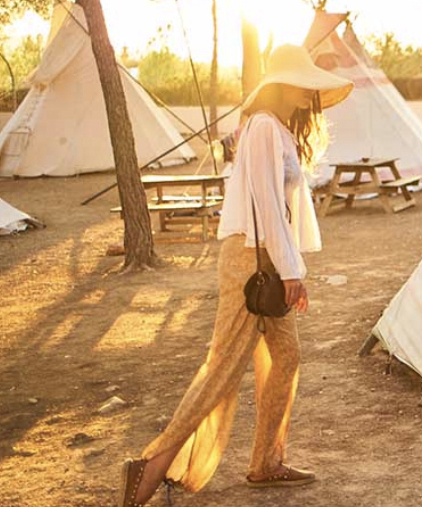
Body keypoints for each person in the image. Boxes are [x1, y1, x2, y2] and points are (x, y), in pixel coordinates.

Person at [117, 44, 352, 507]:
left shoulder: (277, 129)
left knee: (286, 357)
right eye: (304, 83)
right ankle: (150, 467)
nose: (310, 93)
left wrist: (289, 265)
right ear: (283, 83)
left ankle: (266, 461)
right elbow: (266, 204)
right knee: (223, 367)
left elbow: (280, 207)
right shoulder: (263, 126)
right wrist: (290, 272)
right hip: (252, 258)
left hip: (269, 256)